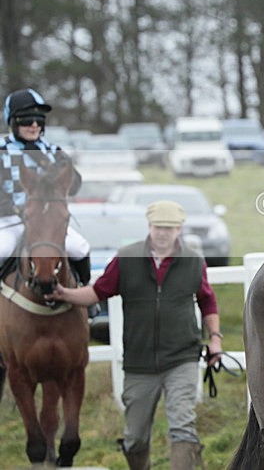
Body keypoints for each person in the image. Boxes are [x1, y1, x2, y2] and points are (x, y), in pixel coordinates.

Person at [45, 200, 222, 470]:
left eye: (169, 228)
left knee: (183, 428)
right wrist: (64, 294)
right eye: (157, 227)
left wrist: (215, 339)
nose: (162, 233)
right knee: (135, 438)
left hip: (182, 358)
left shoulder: (194, 262)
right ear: (149, 227)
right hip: (139, 363)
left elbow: (207, 301)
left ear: (179, 229)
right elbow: (97, 292)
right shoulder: (126, 258)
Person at [0, 88, 91, 285]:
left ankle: (85, 294)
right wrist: (16, 209)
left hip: (48, 221)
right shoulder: (2, 150)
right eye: (26, 120)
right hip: (9, 219)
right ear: (13, 122)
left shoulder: (53, 150)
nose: (34, 125)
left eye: (39, 120)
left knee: (80, 248)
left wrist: (59, 169)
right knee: (3, 249)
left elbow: (74, 186)